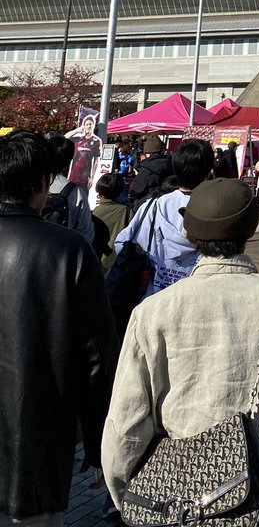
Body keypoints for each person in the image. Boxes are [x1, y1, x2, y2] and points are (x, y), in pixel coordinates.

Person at [103, 179, 259, 527]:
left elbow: (126, 422)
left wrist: (125, 494)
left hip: (176, 505)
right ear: (252, 228)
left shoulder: (153, 311)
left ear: (189, 231)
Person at [0, 131, 117, 527]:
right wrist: (101, 438)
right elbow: (96, 357)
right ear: (41, 184)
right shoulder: (69, 250)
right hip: (37, 445)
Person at [114, 139, 214, 297]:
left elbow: (122, 243)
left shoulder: (154, 205)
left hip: (151, 298)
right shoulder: (214, 210)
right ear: (209, 172)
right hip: (195, 298)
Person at [43, 132, 94, 242]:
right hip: (61, 251)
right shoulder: (75, 193)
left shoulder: (28, 183)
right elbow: (86, 233)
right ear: (68, 162)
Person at [92, 171, 129, 272]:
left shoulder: (92, 213)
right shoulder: (128, 213)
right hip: (118, 266)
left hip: (94, 265)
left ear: (99, 193)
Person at [128, 133, 173, 205]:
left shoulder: (147, 168)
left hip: (147, 204)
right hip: (168, 204)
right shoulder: (170, 164)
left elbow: (135, 190)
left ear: (148, 154)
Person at [65, 112, 102, 189]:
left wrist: (92, 177)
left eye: (90, 124)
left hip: (85, 177)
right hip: (73, 176)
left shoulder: (96, 141)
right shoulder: (78, 139)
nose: (88, 126)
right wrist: (77, 130)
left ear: (93, 126)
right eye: (87, 124)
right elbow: (64, 137)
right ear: (84, 126)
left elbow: (96, 161)